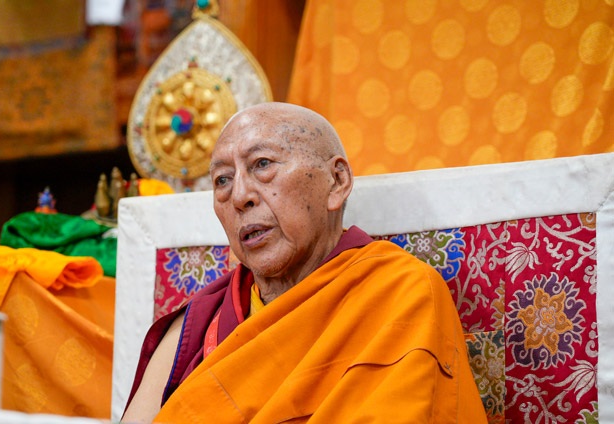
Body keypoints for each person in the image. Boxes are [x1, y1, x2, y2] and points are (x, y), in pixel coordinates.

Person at [122, 102, 487, 422]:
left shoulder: (401, 294)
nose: (240, 196)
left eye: (262, 164)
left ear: (337, 181)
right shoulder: (201, 323)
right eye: (222, 180)